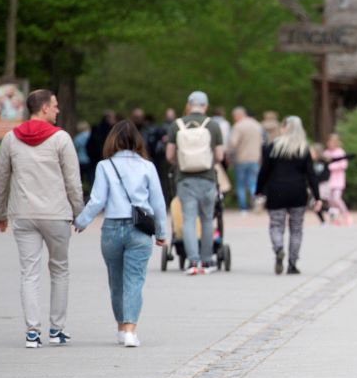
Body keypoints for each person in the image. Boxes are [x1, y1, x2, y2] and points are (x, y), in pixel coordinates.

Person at [0, 89, 84, 348]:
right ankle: (56, 329)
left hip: (23, 214)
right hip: (56, 214)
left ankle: (32, 332)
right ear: (44, 108)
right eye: (55, 105)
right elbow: (72, 181)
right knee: (60, 269)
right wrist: (79, 212)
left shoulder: (11, 138)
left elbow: (0, 178)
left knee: (29, 273)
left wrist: (0, 212)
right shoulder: (61, 139)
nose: (58, 110)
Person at [74, 120, 169, 347]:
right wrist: (161, 232)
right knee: (134, 280)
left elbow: (97, 200)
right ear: (137, 140)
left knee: (116, 282)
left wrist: (82, 221)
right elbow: (158, 202)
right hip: (140, 228)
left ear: (112, 141)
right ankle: (130, 331)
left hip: (112, 228)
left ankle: (120, 328)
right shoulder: (147, 166)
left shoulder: (104, 166)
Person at [166, 91, 224, 275]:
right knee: (207, 219)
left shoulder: (176, 125)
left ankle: (193, 261)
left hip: (184, 179)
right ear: (205, 106)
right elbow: (220, 156)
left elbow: (169, 155)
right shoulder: (213, 125)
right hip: (207, 178)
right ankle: (206, 260)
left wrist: (182, 162)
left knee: (189, 219)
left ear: (189, 105)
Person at [256, 116, 322, 275]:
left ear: (285, 128)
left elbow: (264, 171)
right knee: (296, 228)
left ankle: (279, 248)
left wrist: (259, 190)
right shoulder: (303, 149)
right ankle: (292, 264)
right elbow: (311, 175)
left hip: (276, 191)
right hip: (298, 191)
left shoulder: (272, 147)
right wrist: (317, 196)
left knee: (276, 225)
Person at [228, 107, 264, 213]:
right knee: (253, 183)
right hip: (255, 158)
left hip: (241, 158)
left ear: (238, 115)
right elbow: (262, 142)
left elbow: (233, 143)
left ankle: (243, 207)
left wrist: (229, 155)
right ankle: (256, 204)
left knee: (241, 184)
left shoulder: (238, 126)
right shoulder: (257, 125)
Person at [323, 133, 352, 227]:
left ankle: (346, 214)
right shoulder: (326, 153)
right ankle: (334, 218)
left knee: (337, 198)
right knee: (330, 200)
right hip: (328, 180)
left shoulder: (340, 152)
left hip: (338, 179)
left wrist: (331, 166)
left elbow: (343, 165)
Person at [73, 120, 92, 191]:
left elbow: (75, 148)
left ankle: (80, 191)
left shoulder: (77, 138)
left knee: (80, 179)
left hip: (80, 160)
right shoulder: (91, 135)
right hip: (90, 159)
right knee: (90, 178)